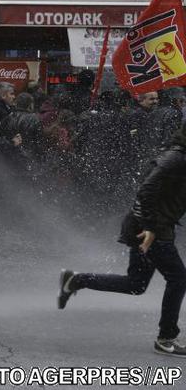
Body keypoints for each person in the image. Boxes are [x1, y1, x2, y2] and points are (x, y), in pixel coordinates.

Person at [58, 122, 186, 357]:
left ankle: (77, 280)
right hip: (149, 229)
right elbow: (146, 189)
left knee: (135, 284)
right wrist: (149, 227)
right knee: (178, 278)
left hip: (150, 225)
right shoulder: (176, 158)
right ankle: (166, 337)